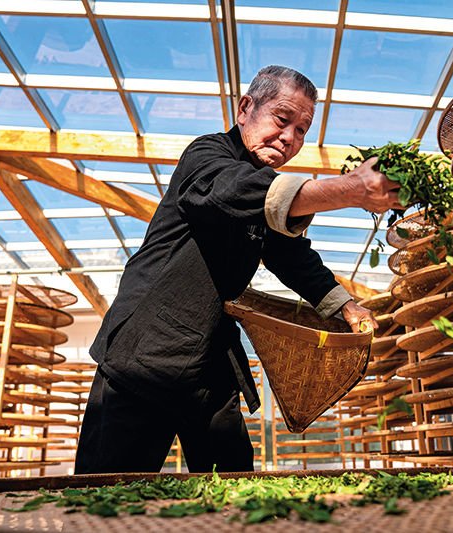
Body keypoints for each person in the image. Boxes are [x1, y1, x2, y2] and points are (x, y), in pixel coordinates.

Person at [75, 65, 403, 475]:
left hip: (206, 362)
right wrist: (348, 190)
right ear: (246, 108)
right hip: (142, 358)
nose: (290, 138)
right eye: (282, 120)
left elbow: (290, 255)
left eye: (302, 130)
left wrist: (345, 305)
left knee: (232, 481)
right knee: (107, 492)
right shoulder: (207, 156)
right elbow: (233, 190)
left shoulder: (264, 185)